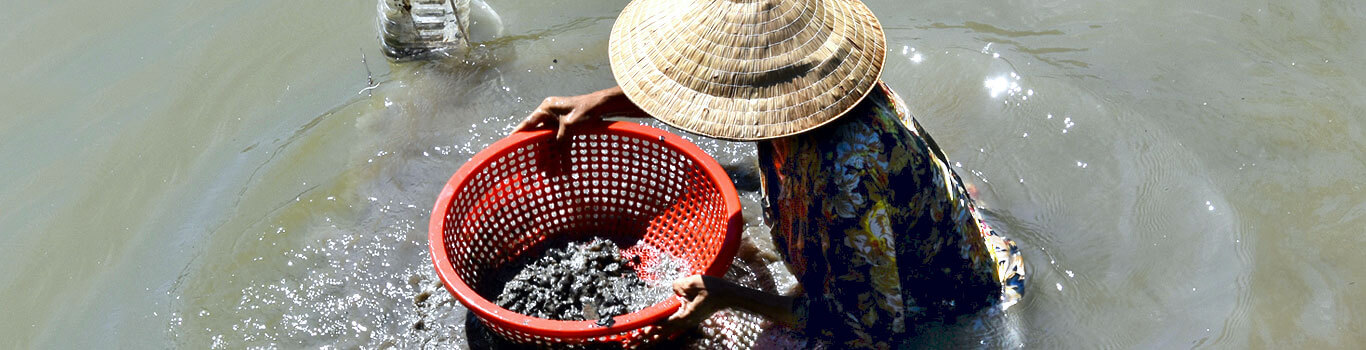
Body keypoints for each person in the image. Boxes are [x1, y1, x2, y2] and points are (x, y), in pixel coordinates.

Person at [515, 0, 1026, 347]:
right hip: (932, 239)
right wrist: (603, 102)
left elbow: (869, 332)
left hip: (941, 308)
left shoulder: (836, 176)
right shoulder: (820, 88)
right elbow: (713, 91)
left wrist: (730, 298)